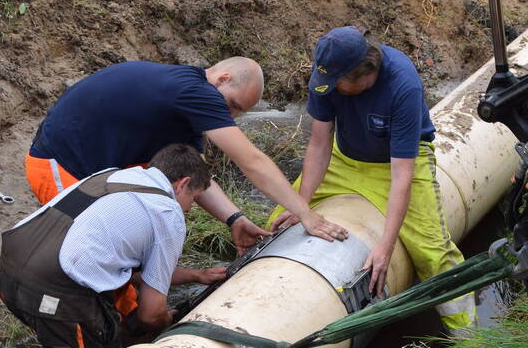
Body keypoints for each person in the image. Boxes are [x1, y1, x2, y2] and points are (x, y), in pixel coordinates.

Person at [269, 27, 476, 334]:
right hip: (345, 158)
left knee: (433, 253)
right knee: (279, 219)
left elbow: (401, 176)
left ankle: (469, 338)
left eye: (338, 84)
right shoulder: (327, 78)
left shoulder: (402, 85)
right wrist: (302, 205)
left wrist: (385, 246)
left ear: (367, 74)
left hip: (402, 161)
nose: (330, 88)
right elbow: (319, 143)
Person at [24, 57, 348, 249]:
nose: (230, 117)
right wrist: (306, 214)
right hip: (61, 164)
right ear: (222, 78)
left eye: (239, 113)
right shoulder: (195, 91)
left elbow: (194, 177)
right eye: (232, 105)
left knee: (123, 253)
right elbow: (250, 160)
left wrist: (234, 219)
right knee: (99, 250)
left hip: (102, 171)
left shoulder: (187, 109)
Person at [0, 143, 226, 348]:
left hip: (8, 273)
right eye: (193, 198)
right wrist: (168, 323)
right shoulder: (167, 211)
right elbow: (151, 314)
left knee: (115, 317)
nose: (189, 208)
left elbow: (128, 270)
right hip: (55, 292)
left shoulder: (115, 175)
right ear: (183, 184)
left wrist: (196, 275)